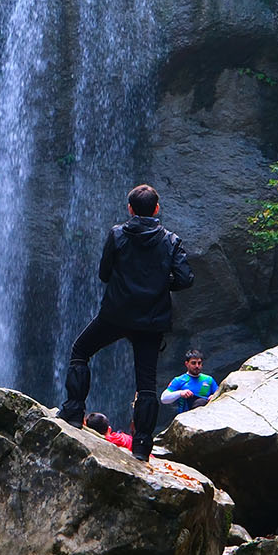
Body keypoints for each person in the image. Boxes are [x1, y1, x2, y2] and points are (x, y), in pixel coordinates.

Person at [60, 184, 194, 461]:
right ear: (157, 209)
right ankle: (142, 446)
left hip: (116, 314)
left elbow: (104, 273)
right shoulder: (171, 240)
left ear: (130, 209)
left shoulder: (118, 234)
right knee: (146, 384)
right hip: (151, 320)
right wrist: (159, 283)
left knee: (80, 351)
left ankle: (73, 412)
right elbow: (184, 279)